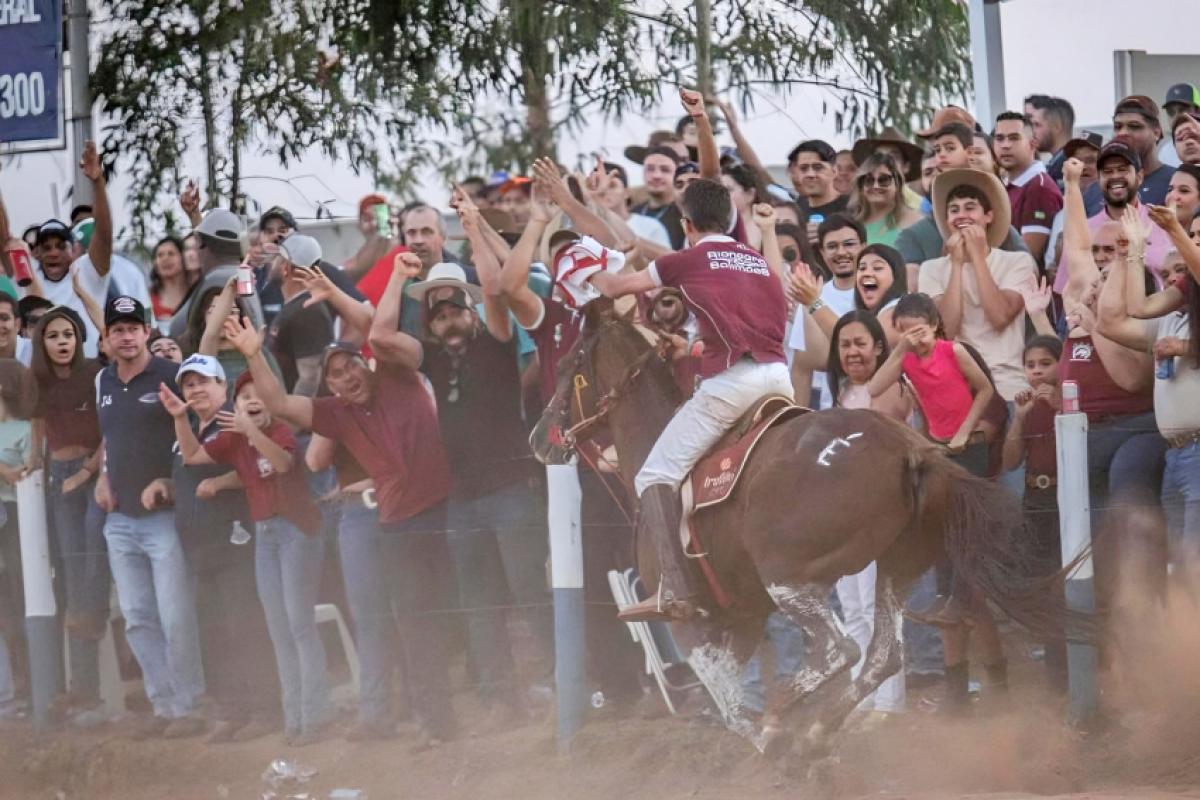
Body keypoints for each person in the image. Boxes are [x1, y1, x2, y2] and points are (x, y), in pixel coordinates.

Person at [226, 252, 461, 747]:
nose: (346, 378)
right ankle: (438, 725)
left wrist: (341, 294)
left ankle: (485, 702)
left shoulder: (394, 373)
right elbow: (279, 404)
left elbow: (377, 330)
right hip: (396, 523)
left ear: (364, 364)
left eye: (350, 367)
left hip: (444, 508)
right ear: (328, 383)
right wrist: (253, 353)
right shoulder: (333, 412)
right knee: (414, 623)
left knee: (458, 611)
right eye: (335, 375)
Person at [583, 178, 792, 622]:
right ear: (732, 219)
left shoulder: (688, 256)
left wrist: (580, 265)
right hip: (778, 378)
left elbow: (615, 288)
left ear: (686, 224)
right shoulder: (755, 259)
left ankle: (673, 588)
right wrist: (695, 350)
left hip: (731, 386)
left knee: (654, 474)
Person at [408, 238, 552, 714]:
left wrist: (472, 228)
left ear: (470, 313)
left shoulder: (496, 343)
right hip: (463, 499)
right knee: (479, 604)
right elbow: (382, 334)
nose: (448, 321)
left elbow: (493, 289)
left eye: (455, 311)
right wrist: (395, 278)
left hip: (511, 491)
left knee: (530, 592)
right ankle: (500, 700)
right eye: (439, 315)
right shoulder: (430, 358)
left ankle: (565, 682)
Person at [165, 368, 330, 746]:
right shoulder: (232, 439)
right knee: (277, 626)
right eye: (245, 397)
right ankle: (295, 718)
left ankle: (315, 714)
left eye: (259, 395)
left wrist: (250, 431)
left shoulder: (280, 431)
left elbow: (285, 463)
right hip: (265, 533)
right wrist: (178, 418)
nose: (253, 401)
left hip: (297, 530)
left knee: (298, 625)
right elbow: (190, 455)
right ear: (234, 405)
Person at [867, 292, 1008, 708]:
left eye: (921, 330)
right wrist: (900, 353)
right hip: (941, 449)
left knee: (965, 530)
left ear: (935, 324)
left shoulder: (954, 350)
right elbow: (874, 387)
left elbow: (985, 390)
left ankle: (959, 601)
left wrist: (966, 430)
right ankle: (951, 603)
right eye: (906, 331)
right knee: (943, 530)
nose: (917, 338)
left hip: (968, 447)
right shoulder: (907, 359)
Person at [93, 296, 205, 739]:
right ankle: (165, 707)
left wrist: (171, 483)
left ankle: (191, 703)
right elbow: (108, 436)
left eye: (132, 327)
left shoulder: (169, 376)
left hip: (163, 516)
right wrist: (102, 475)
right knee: (138, 616)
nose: (125, 335)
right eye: (117, 329)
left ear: (147, 331)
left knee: (176, 615)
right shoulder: (102, 379)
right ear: (106, 337)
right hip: (119, 518)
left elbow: (193, 435)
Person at [164, 354, 277, 744]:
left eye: (204, 381)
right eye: (189, 384)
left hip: (235, 538)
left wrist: (224, 482)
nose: (196, 389)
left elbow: (257, 462)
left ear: (222, 386)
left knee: (244, 624)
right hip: (198, 545)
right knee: (215, 631)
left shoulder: (234, 419)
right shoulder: (190, 429)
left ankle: (265, 709)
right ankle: (234, 710)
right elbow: (188, 467)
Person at [1098, 205, 1200, 580]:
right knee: (1180, 572)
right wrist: (1131, 253)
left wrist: (1175, 230)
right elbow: (1123, 315)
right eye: (1196, 235)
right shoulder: (1177, 310)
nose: (1196, 242)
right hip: (1177, 455)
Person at [27, 308, 109, 726]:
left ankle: (86, 691)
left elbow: (112, 429)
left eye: (70, 334)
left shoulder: (96, 373)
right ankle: (85, 693)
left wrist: (87, 472)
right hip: (59, 482)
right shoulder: (36, 382)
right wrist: (34, 470)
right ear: (42, 342)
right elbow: (38, 435)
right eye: (54, 335)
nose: (62, 342)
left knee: (94, 557)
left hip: (94, 476)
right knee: (74, 576)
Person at [827, 310, 911, 715]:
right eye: (844, 345)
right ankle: (862, 701)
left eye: (860, 343)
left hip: (881, 510)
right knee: (853, 608)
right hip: (844, 514)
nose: (852, 352)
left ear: (879, 346)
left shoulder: (894, 386)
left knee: (881, 609)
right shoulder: (839, 392)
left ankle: (890, 706)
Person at [919, 169, 1038, 406]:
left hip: (1007, 382)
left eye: (970, 207)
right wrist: (956, 264)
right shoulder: (931, 269)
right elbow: (946, 331)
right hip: (955, 382)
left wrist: (977, 257)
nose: (961, 215)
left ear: (988, 216)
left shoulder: (1017, 262)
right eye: (954, 210)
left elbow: (999, 317)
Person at [1001, 335, 1067, 693]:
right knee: (1042, 579)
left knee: (1065, 579)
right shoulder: (1024, 406)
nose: (1038, 371)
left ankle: (1072, 664)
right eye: (1031, 365)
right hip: (1035, 497)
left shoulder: (1070, 397)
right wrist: (1020, 419)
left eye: (1046, 363)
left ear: (1061, 365)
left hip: (1065, 497)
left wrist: (1059, 406)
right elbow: (1010, 461)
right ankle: (1054, 667)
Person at [896, 123, 1028, 283]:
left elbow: (1028, 271)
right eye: (938, 150)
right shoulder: (913, 236)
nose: (942, 156)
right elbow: (914, 292)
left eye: (950, 148)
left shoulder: (999, 227)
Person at [1053, 138, 1172, 296]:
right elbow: (1067, 291)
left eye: (1122, 169)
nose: (1115, 176)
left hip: (1152, 317)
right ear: (1099, 178)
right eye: (1107, 172)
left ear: (1140, 176)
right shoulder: (1084, 230)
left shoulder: (1163, 225)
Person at [786, 215, 865, 408]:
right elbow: (801, 366)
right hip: (829, 410)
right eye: (832, 247)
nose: (841, 252)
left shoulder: (876, 290)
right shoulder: (814, 293)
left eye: (849, 244)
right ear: (821, 252)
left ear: (863, 246)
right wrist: (798, 419)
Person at [994, 111, 1063, 269]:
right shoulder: (1005, 185)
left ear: (1033, 144)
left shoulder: (1039, 187)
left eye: (1014, 138)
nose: (1005, 145)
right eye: (999, 138)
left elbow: (1027, 256)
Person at [0, 359, 30, 720]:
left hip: (19, 527)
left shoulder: (26, 428)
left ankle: (29, 689)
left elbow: (27, 473)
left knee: (23, 609)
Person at [1112, 95, 1175, 206]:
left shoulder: (1177, 182)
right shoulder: (1098, 188)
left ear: (1156, 133)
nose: (1122, 133)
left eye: (1134, 126)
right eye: (1118, 126)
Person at [849, 152, 922, 247]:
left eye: (883, 180)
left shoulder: (916, 221)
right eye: (869, 180)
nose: (875, 186)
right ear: (861, 185)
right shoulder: (851, 224)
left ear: (897, 183)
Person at [787, 139, 848, 243]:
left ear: (834, 171)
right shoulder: (797, 208)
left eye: (818, 167)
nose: (810, 174)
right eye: (803, 168)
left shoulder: (852, 207)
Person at [630, 146, 686, 250]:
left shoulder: (685, 214)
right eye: (650, 169)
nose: (656, 175)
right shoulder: (633, 212)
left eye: (665, 170)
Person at [149, 236, 196, 331]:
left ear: (183, 258)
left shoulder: (197, 293)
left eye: (171, 254)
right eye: (160, 255)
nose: (165, 259)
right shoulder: (146, 298)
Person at [1027, 96, 1074, 183]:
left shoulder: (1064, 168)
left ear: (1057, 126)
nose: (1032, 131)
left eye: (1037, 125)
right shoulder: (1057, 164)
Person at [1161, 84, 1200, 168]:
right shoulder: (1165, 152)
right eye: (1171, 111)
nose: (1177, 116)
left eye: (1183, 109)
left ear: (1198, 110)